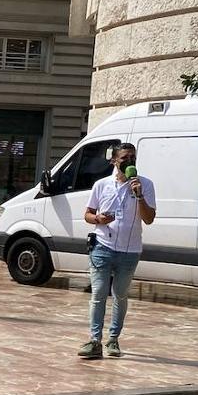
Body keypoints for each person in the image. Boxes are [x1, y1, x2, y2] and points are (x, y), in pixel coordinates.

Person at [79, 142, 156, 360]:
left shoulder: (145, 185)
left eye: (133, 157)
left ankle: (113, 339)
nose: (130, 161)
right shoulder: (101, 185)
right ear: (114, 160)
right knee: (99, 294)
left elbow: (149, 219)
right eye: (125, 158)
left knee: (120, 295)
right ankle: (95, 341)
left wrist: (139, 195)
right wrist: (98, 219)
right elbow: (88, 214)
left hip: (130, 251)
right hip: (102, 246)